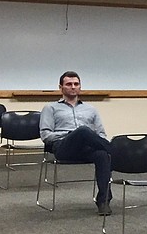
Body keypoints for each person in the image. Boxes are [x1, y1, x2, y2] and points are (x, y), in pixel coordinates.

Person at [39, 71, 114, 215]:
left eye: (76, 84)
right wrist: (71, 135)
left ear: (80, 86)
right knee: (83, 131)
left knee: (102, 154)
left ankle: (104, 200)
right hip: (63, 147)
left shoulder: (91, 109)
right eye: (69, 84)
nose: (73, 87)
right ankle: (118, 153)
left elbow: (101, 134)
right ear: (61, 87)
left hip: (85, 148)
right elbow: (45, 135)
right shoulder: (50, 108)